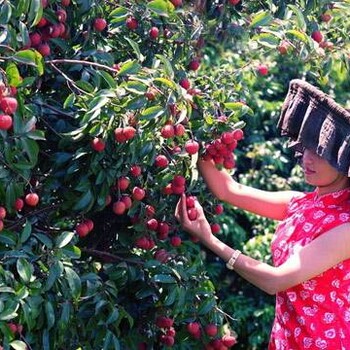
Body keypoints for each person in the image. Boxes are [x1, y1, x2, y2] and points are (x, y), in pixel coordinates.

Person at [175, 79, 350, 350]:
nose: (307, 159)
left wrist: (211, 240)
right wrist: (192, 120)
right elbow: (227, 189)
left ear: (342, 160)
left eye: (320, 152)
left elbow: (274, 281)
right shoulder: (298, 203)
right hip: (285, 341)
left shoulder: (346, 226)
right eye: (305, 147)